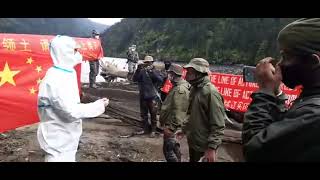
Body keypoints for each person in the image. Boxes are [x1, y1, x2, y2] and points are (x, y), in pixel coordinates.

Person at [242, 18, 320, 162]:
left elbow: (255, 150)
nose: (280, 64)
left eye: (285, 57)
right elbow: (286, 125)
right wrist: (276, 94)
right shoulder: (311, 98)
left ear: (312, 62)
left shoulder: (314, 116)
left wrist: (265, 92)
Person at [37, 35, 109, 162]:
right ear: (64, 52)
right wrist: (97, 106)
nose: (78, 54)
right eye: (75, 51)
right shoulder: (55, 78)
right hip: (58, 138)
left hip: (66, 137)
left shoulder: (66, 73)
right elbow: (69, 111)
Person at [179, 58, 226, 162]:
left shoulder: (210, 92)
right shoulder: (194, 89)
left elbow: (218, 124)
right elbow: (191, 114)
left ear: (199, 73)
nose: (187, 75)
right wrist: (183, 129)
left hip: (204, 146)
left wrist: (211, 148)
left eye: (190, 72)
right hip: (194, 142)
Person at [159, 63, 190, 162]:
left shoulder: (180, 89)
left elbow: (179, 111)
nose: (168, 76)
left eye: (169, 73)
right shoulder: (177, 86)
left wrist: (171, 128)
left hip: (172, 127)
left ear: (173, 74)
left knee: (168, 150)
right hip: (172, 125)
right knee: (174, 148)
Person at [133, 55, 164, 138]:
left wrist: (151, 72)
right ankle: (145, 129)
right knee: (143, 114)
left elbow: (160, 80)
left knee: (153, 114)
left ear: (152, 63)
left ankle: (153, 130)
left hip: (152, 96)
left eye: (148, 62)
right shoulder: (142, 71)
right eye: (145, 62)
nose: (146, 64)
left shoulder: (155, 71)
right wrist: (138, 69)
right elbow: (134, 79)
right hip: (143, 95)